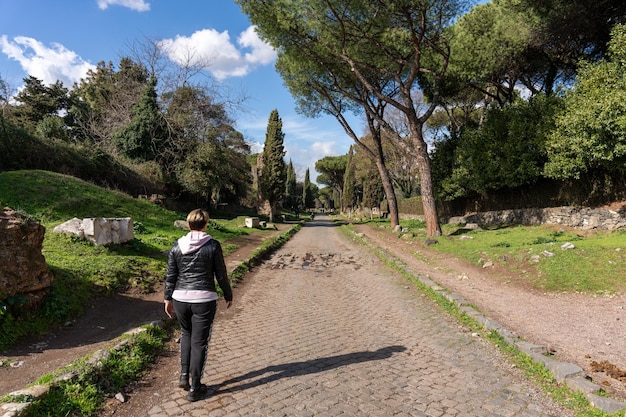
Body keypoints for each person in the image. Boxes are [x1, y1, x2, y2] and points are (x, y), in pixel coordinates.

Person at [164, 209, 233, 402]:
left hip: (180, 299)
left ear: (188, 224)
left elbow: (171, 276)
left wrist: (167, 299)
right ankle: (195, 388)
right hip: (204, 299)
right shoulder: (212, 245)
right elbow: (221, 274)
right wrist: (228, 295)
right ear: (206, 224)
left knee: (186, 334)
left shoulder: (176, 246)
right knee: (199, 342)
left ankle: (184, 376)